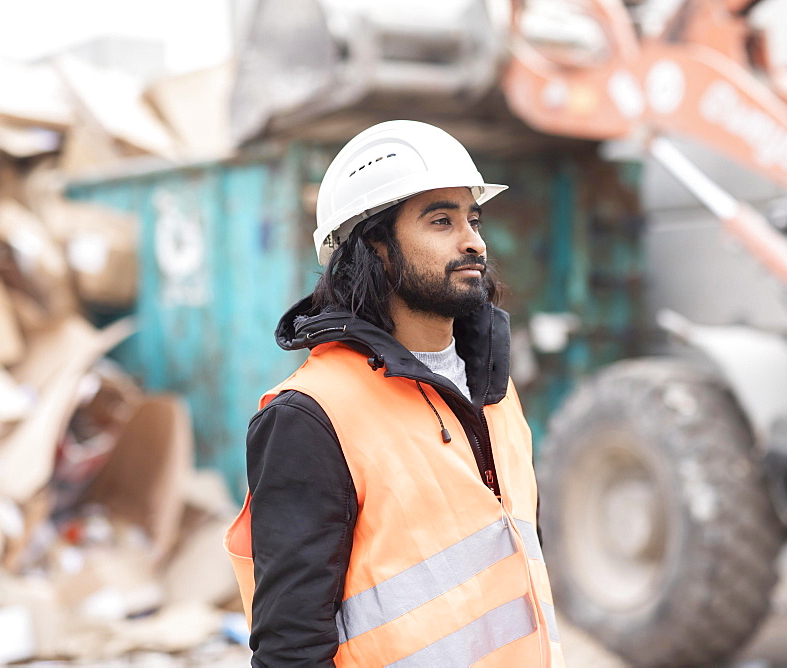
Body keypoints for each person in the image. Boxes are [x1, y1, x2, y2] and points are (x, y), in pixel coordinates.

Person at [226, 120, 563, 666]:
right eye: (440, 221)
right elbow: (291, 648)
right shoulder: (310, 417)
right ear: (375, 248)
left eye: (472, 219)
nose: (473, 240)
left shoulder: (493, 388)